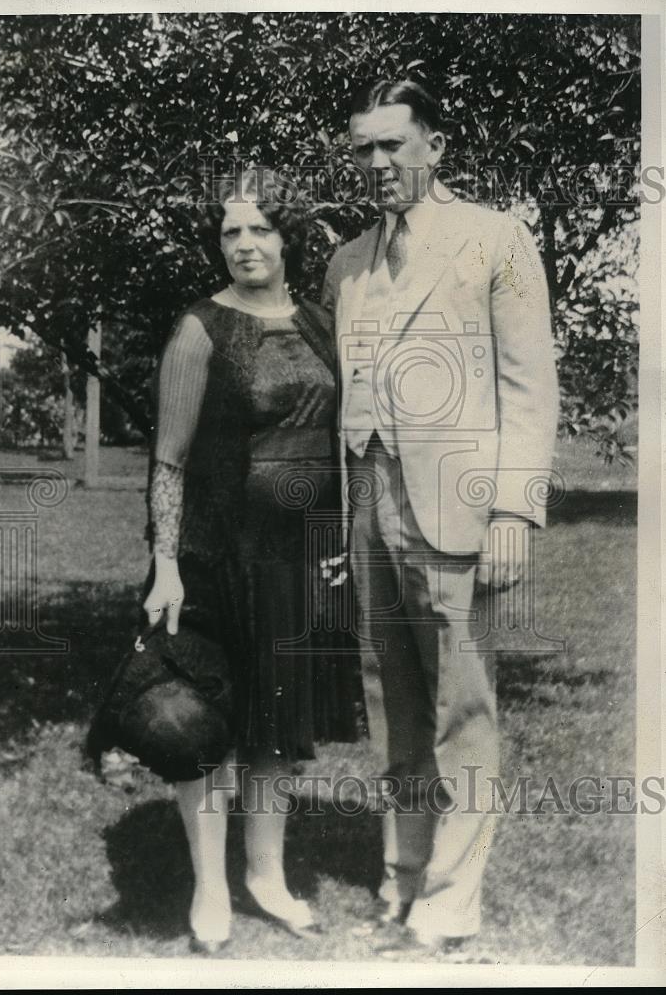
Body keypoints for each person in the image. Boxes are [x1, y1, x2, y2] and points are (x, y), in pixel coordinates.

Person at [321, 79, 559, 953]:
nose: (378, 164)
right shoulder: (346, 262)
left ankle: (453, 901)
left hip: (460, 508)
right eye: (363, 149)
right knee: (394, 704)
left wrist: (512, 510)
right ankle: (405, 876)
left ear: (434, 146)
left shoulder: (495, 240)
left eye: (393, 145)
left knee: (463, 708)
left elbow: (529, 385)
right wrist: (344, 523)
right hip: (370, 505)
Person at [140, 167, 359, 953]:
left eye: (259, 227)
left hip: (297, 559)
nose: (243, 244)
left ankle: (266, 876)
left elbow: (341, 443)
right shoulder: (201, 328)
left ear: (287, 234)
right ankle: (209, 887)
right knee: (202, 722)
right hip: (210, 554)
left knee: (276, 725)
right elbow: (168, 460)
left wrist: (337, 538)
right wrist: (166, 563)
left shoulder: (322, 324)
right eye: (230, 231)